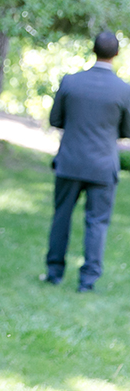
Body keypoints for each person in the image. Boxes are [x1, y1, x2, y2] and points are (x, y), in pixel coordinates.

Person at [43, 30, 130, 293]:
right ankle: (88, 281)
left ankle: (54, 272)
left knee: (62, 217)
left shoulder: (70, 82)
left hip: (70, 162)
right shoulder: (124, 90)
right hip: (103, 165)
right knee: (97, 223)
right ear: (115, 54)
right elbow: (127, 130)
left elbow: (55, 120)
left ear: (93, 50)